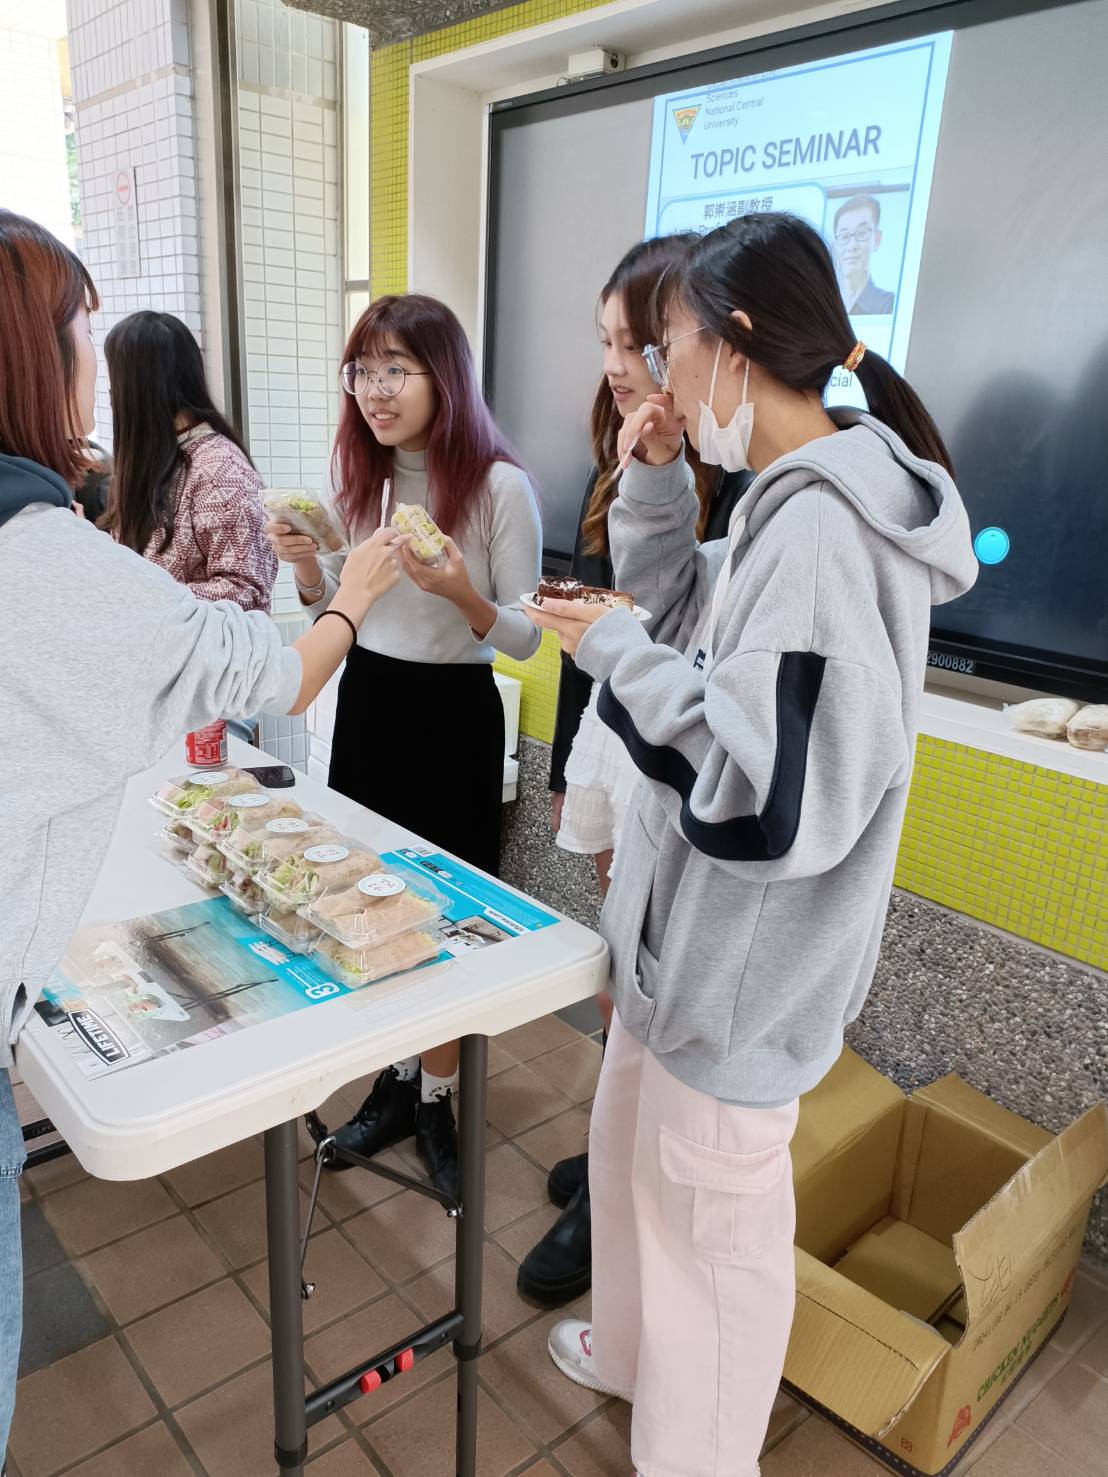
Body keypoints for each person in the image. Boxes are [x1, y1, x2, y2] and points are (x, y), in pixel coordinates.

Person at [527, 212, 976, 1477]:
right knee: (634, 1176)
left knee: (713, 1263)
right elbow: (685, 615)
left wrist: (611, 650)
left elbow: (757, 797)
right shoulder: (784, 508)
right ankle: (628, 1358)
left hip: (736, 977)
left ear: (731, 342)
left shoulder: (825, 534)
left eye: (663, 343)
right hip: (684, 960)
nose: (652, 374)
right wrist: (655, 482)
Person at [0, 209, 401, 1463]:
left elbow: (236, 619)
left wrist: (328, 584)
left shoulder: (194, 473)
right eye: (79, 335)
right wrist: (347, 590)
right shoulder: (43, 545)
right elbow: (232, 645)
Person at [267, 293, 541, 1197]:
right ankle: (393, 1081)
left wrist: (460, 591)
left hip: (453, 713)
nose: (376, 390)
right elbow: (333, 607)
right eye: (363, 370)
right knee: (369, 900)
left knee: (446, 915)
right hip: (370, 703)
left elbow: (526, 638)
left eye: (397, 369)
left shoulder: (500, 487)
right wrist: (306, 568)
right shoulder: (360, 476)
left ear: (444, 376)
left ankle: (437, 1097)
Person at [523, 235, 753, 1308]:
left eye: (636, 343)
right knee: (621, 954)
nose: (616, 365)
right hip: (616, 727)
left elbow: (668, 637)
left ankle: (611, 1181)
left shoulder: (742, 471)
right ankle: (608, 1145)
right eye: (607, 341)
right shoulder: (625, 443)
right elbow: (597, 606)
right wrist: (568, 758)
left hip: (674, 742)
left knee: (651, 972)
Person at [102, 310, 277, 743]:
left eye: (115, 380)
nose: (109, 393)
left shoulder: (220, 469)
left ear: (139, 387)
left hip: (213, 695)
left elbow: (248, 593)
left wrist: (145, 597)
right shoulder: (149, 463)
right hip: (164, 688)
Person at [833, 195, 895, 315]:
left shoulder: (889, 305)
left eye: (861, 233)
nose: (852, 246)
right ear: (835, 246)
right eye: (844, 236)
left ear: (877, 239)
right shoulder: (824, 305)